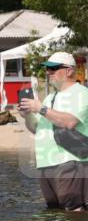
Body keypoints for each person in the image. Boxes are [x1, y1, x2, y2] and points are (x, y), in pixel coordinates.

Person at [19, 51, 88, 211]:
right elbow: (37, 128)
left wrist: (40, 108)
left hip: (71, 161)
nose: (49, 73)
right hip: (46, 163)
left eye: (54, 69)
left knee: (74, 211)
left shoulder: (82, 93)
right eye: (47, 69)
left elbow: (69, 122)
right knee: (54, 213)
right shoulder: (51, 97)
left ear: (69, 71)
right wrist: (28, 115)